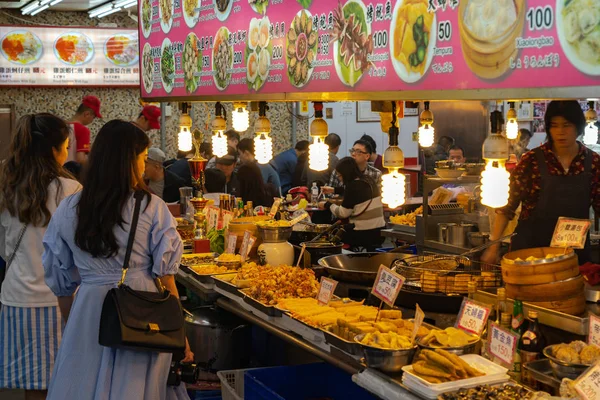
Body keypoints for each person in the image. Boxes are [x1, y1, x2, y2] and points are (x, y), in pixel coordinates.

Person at [42, 120, 192, 399]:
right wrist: (180, 334)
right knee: (135, 388)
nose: (145, 166)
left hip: (88, 309)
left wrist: (76, 324)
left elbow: (61, 280)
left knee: (84, 385)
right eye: (143, 158)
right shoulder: (151, 207)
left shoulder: (70, 207)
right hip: (141, 314)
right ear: (128, 161)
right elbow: (166, 275)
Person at [0, 113, 81, 400]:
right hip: (59, 302)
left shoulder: (6, 184)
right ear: (54, 149)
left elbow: (3, 247)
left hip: (16, 298)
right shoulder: (69, 190)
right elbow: (80, 251)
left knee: (32, 388)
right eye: (66, 145)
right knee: (62, 385)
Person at [482, 101, 600, 265]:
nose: (560, 132)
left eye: (566, 125)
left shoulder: (593, 162)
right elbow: (507, 207)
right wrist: (493, 247)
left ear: (578, 126)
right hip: (529, 253)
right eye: (554, 125)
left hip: (573, 255)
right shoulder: (531, 160)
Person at [319, 157, 385, 251]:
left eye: (340, 176)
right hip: (379, 231)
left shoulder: (352, 186)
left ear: (346, 174)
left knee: (332, 233)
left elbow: (343, 213)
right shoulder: (368, 180)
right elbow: (358, 192)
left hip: (363, 233)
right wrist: (334, 189)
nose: (339, 178)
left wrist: (327, 204)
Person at [67, 95, 102, 165]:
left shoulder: (62, 125)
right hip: (72, 173)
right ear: (87, 114)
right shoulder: (82, 130)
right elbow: (81, 159)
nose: (92, 120)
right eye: (94, 117)